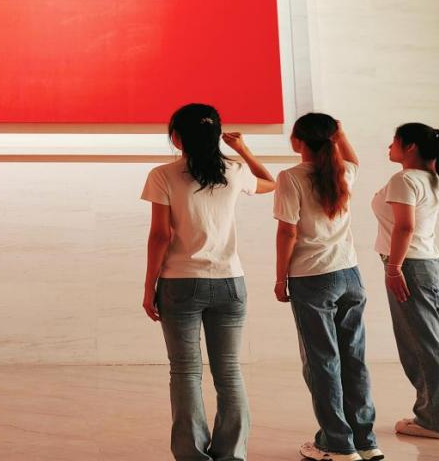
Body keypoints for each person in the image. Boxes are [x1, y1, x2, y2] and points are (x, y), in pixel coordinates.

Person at [141, 103, 275, 461]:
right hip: (231, 282)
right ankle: (231, 454)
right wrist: (243, 149)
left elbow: (160, 236)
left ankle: (192, 454)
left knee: (186, 371)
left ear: (176, 138)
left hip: (180, 283)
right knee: (229, 371)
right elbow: (271, 183)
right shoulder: (235, 171)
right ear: (217, 135)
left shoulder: (162, 175)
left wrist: (149, 286)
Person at [274, 113, 382, 461]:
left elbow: (287, 232)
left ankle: (337, 443)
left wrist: (280, 277)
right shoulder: (343, 172)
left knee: (322, 362)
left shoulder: (291, 177)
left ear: (298, 141)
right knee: (354, 359)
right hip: (350, 275)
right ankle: (366, 442)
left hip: (312, 277)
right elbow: (354, 160)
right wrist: (341, 132)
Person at [371, 123, 439, 440]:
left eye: (394, 141)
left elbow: (404, 227)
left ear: (410, 147)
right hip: (434, 264)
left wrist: (394, 268)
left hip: (411, 268)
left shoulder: (404, 179)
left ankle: (435, 420)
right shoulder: (433, 178)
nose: (389, 146)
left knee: (421, 348)